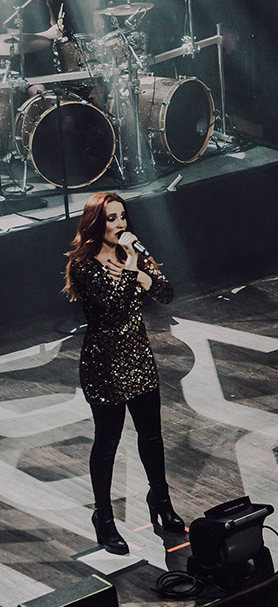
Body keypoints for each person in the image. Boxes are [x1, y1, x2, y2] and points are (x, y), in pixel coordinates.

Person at [63, 192, 183, 554]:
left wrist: (141, 273)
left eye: (122, 216)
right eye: (111, 218)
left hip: (138, 358)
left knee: (152, 437)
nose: (120, 224)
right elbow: (114, 307)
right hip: (105, 364)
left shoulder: (134, 255)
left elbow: (167, 293)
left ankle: (160, 500)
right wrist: (133, 269)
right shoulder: (83, 266)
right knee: (107, 444)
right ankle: (104, 517)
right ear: (96, 224)